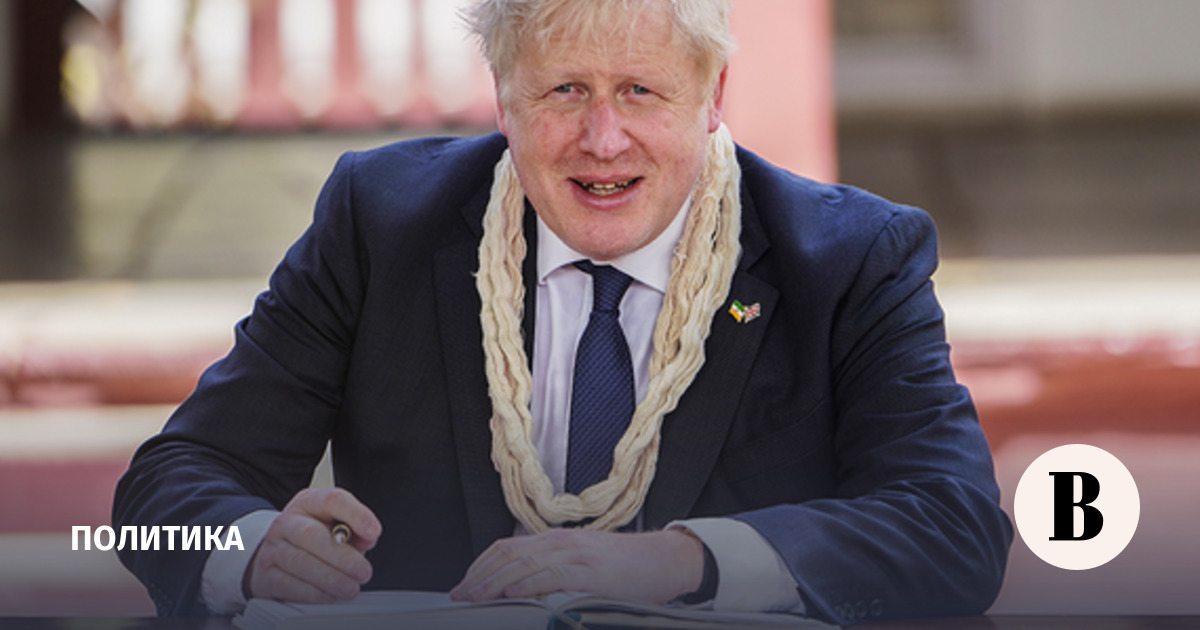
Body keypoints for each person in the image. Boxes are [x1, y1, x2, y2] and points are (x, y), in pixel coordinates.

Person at [113, 0, 1012, 625]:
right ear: (503, 95)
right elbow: (164, 490)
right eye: (564, 91)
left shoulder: (849, 259)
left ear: (713, 96)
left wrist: (682, 561)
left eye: (640, 91)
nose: (602, 140)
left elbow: (954, 526)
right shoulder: (380, 223)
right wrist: (252, 547)